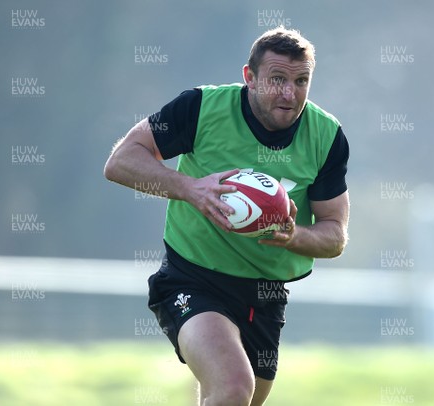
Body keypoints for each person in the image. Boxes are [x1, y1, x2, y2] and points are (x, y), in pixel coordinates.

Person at [104, 26, 350, 406]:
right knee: (234, 386)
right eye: (278, 79)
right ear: (249, 78)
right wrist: (191, 188)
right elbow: (121, 162)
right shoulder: (201, 108)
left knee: (236, 399)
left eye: (301, 81)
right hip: (192, 278)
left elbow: (335, 235)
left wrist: (292, 236)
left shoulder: (326, 136)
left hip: (265, 295)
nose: (290, 94)